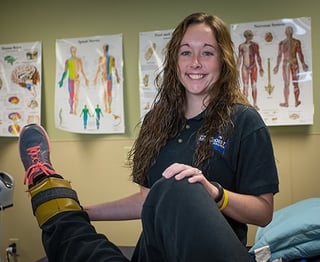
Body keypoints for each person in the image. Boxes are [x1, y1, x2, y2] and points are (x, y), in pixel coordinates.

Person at [19, 12, 279, 261]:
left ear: (223, 60)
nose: (195, 62)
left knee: (180, 185)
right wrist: (83, 212)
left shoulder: (244, 121)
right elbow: (147, 201)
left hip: (203, 252)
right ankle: (54, 197)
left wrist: (213, 192)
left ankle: (51, 194)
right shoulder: (156, 122)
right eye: (186, 52)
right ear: (175, 60)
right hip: (156, 250)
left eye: (207, 52)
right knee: (83, 240)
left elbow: (263, 212)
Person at [273, 26, 309, 107]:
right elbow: (300, 54)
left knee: (289, 84)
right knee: (293, 83)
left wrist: (277, 66)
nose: (289, 33)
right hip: (293, 63)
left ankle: (288, 102)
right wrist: (303, 63)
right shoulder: (294, 42)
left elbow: (299, 54)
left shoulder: (285, 43)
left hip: (289, 63)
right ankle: (294, 102)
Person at [237, 30, 264, 110]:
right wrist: (237, 68)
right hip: (244, 67)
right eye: (248, 35)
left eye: (251, 35)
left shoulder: (255, 45)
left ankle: (255, 104)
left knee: (254, 86)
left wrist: (261, 67)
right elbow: (239, 57)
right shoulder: (241, 46)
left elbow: (258, 56)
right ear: (245, 36)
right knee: (245, 86)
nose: (250, 36)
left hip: (253, 66)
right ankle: (245, 105)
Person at [58, 46, 89, 114]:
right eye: (72, 51)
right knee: (71, 95)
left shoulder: (79, 60)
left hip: (77, 79)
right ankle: (71, 108)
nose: (73, 52)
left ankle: (75, 110)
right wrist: (62, 80)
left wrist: (86, 79)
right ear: (71, 52)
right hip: (70, 79)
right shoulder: (68, 61)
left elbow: (82, 70)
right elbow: (65, 72)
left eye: (74, 51)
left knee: (76, 95)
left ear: (76, 51)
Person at [94, 44, 121, 114]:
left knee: (108, 93)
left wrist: (117, 76)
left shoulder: (111, 58)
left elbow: (114, 68)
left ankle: (109, 107)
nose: (104, 50)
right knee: (105, 93)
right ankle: (106, 107)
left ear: (106, 49)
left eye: (104, 49)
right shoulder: (101, 58)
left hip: (109, 77)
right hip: (103, 77)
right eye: (103, 49)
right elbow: (99, 68)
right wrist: (95, 78)